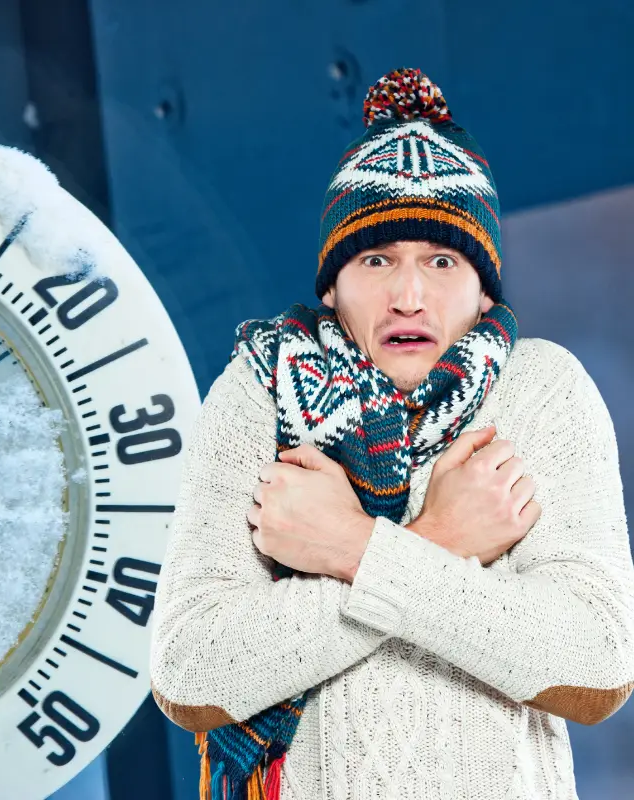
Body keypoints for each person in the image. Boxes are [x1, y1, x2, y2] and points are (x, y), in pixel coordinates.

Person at [148, 67, 634, 800]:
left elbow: (599, 666)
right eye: (376, 260)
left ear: (484, 287)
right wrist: (444, 539)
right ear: (331, 286)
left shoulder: (540, 389)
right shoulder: (260, 393)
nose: (408, 294)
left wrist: (348, 548)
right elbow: (189, 674)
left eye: (441, 261)